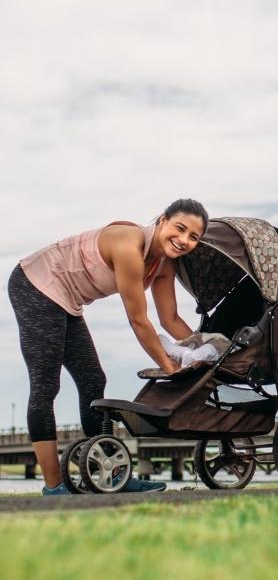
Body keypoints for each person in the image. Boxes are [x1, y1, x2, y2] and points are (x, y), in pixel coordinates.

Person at [8, 198, 209, 496]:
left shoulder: (164, 264)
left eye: (194, 237)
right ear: (163, 220)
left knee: (93, 380)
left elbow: (170, 319)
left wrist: (209, 348)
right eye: (180, 229)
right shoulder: (130, 245)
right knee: (46, 384)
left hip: (69, 300)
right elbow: (139, 321)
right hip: (36, 284)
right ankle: (54, 487)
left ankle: (113, 478)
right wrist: (171, 369)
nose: (184, 240)